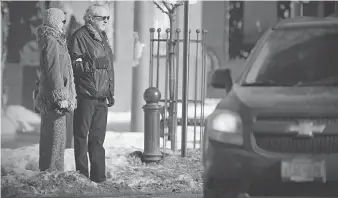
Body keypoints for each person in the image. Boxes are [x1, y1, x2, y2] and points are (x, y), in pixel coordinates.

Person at [68, 3, 115, 183]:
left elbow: (108, 67)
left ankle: (99, 177)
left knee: (98, 139)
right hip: (86, 94)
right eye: (102, 18)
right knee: (81, 136)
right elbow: (74, 65)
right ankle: (82, 176)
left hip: (102, 96)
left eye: (107, 18)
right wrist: (93, 65)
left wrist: (110, 91)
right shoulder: (79, 37)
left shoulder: (102, 37)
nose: (106, 21)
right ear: (90, 19)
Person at [35, 8, 77, 171]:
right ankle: (51, 171)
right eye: (62, 20)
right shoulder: (52, 40)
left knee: (55, 136)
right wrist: (61, 95)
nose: (63, 24)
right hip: (55, 95)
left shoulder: (55, 39)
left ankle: (51, 169)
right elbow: (53, 70)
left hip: (54, 93)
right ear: (54, 20)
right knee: (55, 137)